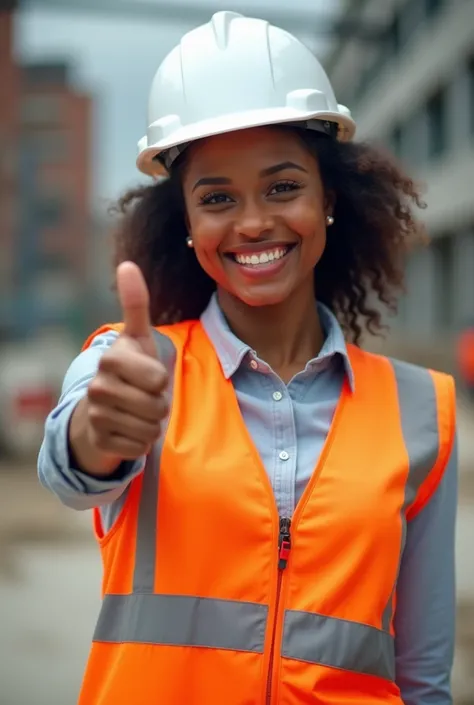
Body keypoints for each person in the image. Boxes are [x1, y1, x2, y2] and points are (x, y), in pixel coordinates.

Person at [38, 11, 458, 705]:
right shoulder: (130, 366)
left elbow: (423, 674)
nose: (254, 221)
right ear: (188, 224)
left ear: (330, 198)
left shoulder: (423, 410)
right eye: (217, 198)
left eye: (283, 186)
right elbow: (69, 466)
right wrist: (96, 435)